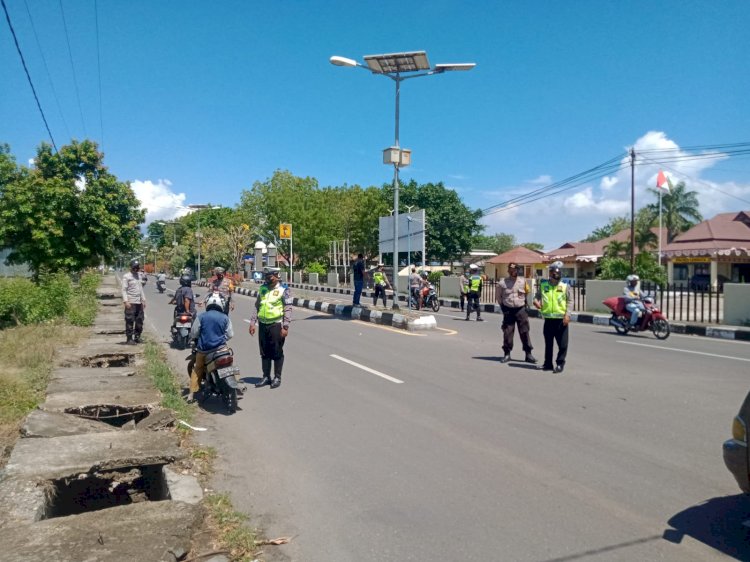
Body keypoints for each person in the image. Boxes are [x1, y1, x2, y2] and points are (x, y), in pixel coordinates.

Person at [249, 267, 292, 389]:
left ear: (277, 276)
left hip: (276, 324)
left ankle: (277, 377)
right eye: (266, 277)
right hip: (263, 324)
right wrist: (253, 322)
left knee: (277, 352)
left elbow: (288, 308)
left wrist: (285, 326)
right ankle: (266, 377)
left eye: (270, 277)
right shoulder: (263, 289)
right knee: (264, 352)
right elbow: (257, 306)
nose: (267, 279)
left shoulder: (284, 290)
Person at [186, 292, 234, 403]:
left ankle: (191, 395)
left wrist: (197, 338)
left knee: (198, 369)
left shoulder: (201, 316)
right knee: (229, 366)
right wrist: (222, 339)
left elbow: (194, 333)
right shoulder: (225, 317)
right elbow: (230, 334)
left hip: (204, 350)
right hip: (221, 350)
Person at [533, 261, 572, 374]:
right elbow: (537, 296)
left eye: (559, 272)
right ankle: (548, 364)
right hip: (548, 319)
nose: (557, 274)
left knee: (563, 344)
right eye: (554, 272)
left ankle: (560, 364)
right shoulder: (544, 284)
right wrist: (536, 301)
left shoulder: (565, 285)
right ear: (550, 273)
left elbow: (570, 301)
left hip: (561, 320)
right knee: (548, 343)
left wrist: (567, 315)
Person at [496, 263, 536, 364]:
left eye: (514, 270)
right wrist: (503, 307)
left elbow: (527, 292)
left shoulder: (523, 281)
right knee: (507, 332)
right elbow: (498, 297)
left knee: (524, 331)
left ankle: (528, 354)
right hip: (508, 310)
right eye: (510, 269)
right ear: (508, 271)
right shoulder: (502, 283)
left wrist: (525, 303)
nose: (512, 271)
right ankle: (507, 354)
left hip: (520, 310)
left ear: (518, 271)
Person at [121, 259, 146, 344]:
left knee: (140, 320)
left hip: (139, 302)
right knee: (130, 320)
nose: (136, 269)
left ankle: (137, 337)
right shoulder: (127, 276)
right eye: (134, 268)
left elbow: (141, 289)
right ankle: (129, 339)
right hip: (130, 302)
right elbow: (124, 290)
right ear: (131, 268)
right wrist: (126, 301)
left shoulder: (139, 276)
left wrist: (144, 300)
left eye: (137, 268)